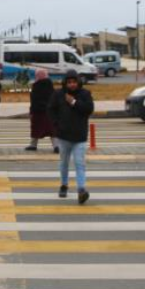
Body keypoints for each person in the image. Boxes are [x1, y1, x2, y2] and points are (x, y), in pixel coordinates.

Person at [48, 70, 94, 204]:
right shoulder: (58, 94)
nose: (72, 85)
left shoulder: (85, 94)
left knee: (80, 163)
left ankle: (81, 190)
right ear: (65, 83)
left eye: (74, 82)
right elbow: (51, 109)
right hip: (63, 135)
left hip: (79, 136)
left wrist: (74, 102)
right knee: (64, 162)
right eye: (69, 82)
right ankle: (64, 185)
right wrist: (56, 125)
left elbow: (89, 109)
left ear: (78, 82)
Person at [26, 69, 57, 153]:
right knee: (52, 130)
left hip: (38, 112)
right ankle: (56, 146)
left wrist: (31, 112)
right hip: (49, 112)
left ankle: (33, 145)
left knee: (36, 129)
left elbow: (33, 101)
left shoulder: (36, 86)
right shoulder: (50, 85)